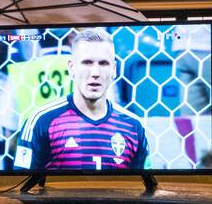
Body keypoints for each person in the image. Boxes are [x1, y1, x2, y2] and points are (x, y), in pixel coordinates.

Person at [11, 27, 148, 171]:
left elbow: (142, 186)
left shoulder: (134, 127)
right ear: (71, 67)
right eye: (87, 63)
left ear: (114, 69)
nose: (95, 72)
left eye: (103, 63)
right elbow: (22, 186)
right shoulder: (39, 122)